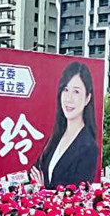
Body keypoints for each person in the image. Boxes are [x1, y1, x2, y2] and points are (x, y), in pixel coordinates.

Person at [30, 62, 100, 190]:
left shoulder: (88, 147)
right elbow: (36, 173)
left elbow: (77, 195)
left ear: (87, 98)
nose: (68, 98)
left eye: (76, 92)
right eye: (65, 90)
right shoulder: (55, 138)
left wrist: (42, 190)